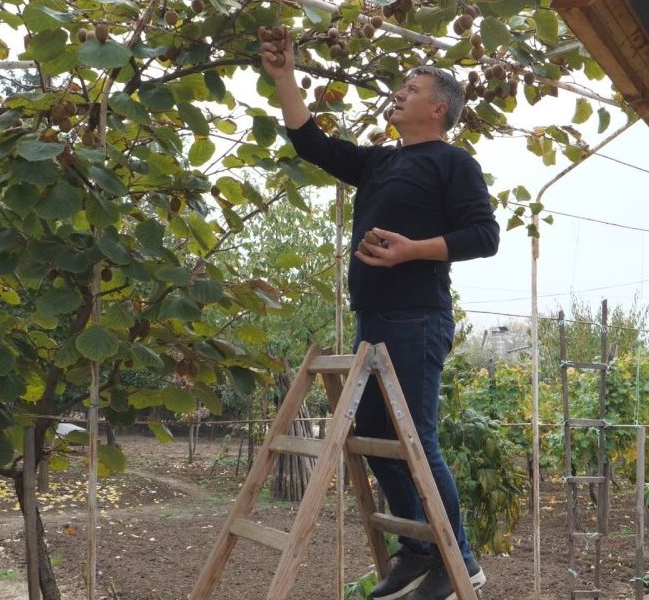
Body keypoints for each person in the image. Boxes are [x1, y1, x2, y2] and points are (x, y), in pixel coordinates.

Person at [261, 28, 500, 600]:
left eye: (409, 88)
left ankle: (457, 562)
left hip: (417, 317)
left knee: (417, 437)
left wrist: (410, 250)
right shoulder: (378, 163)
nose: (397, 93)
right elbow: (311, 143)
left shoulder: (452, 163)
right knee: (372, 435)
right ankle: (419, 550)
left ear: (438, 108)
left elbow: (485, 236)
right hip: (374, 317)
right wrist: (284, 78)